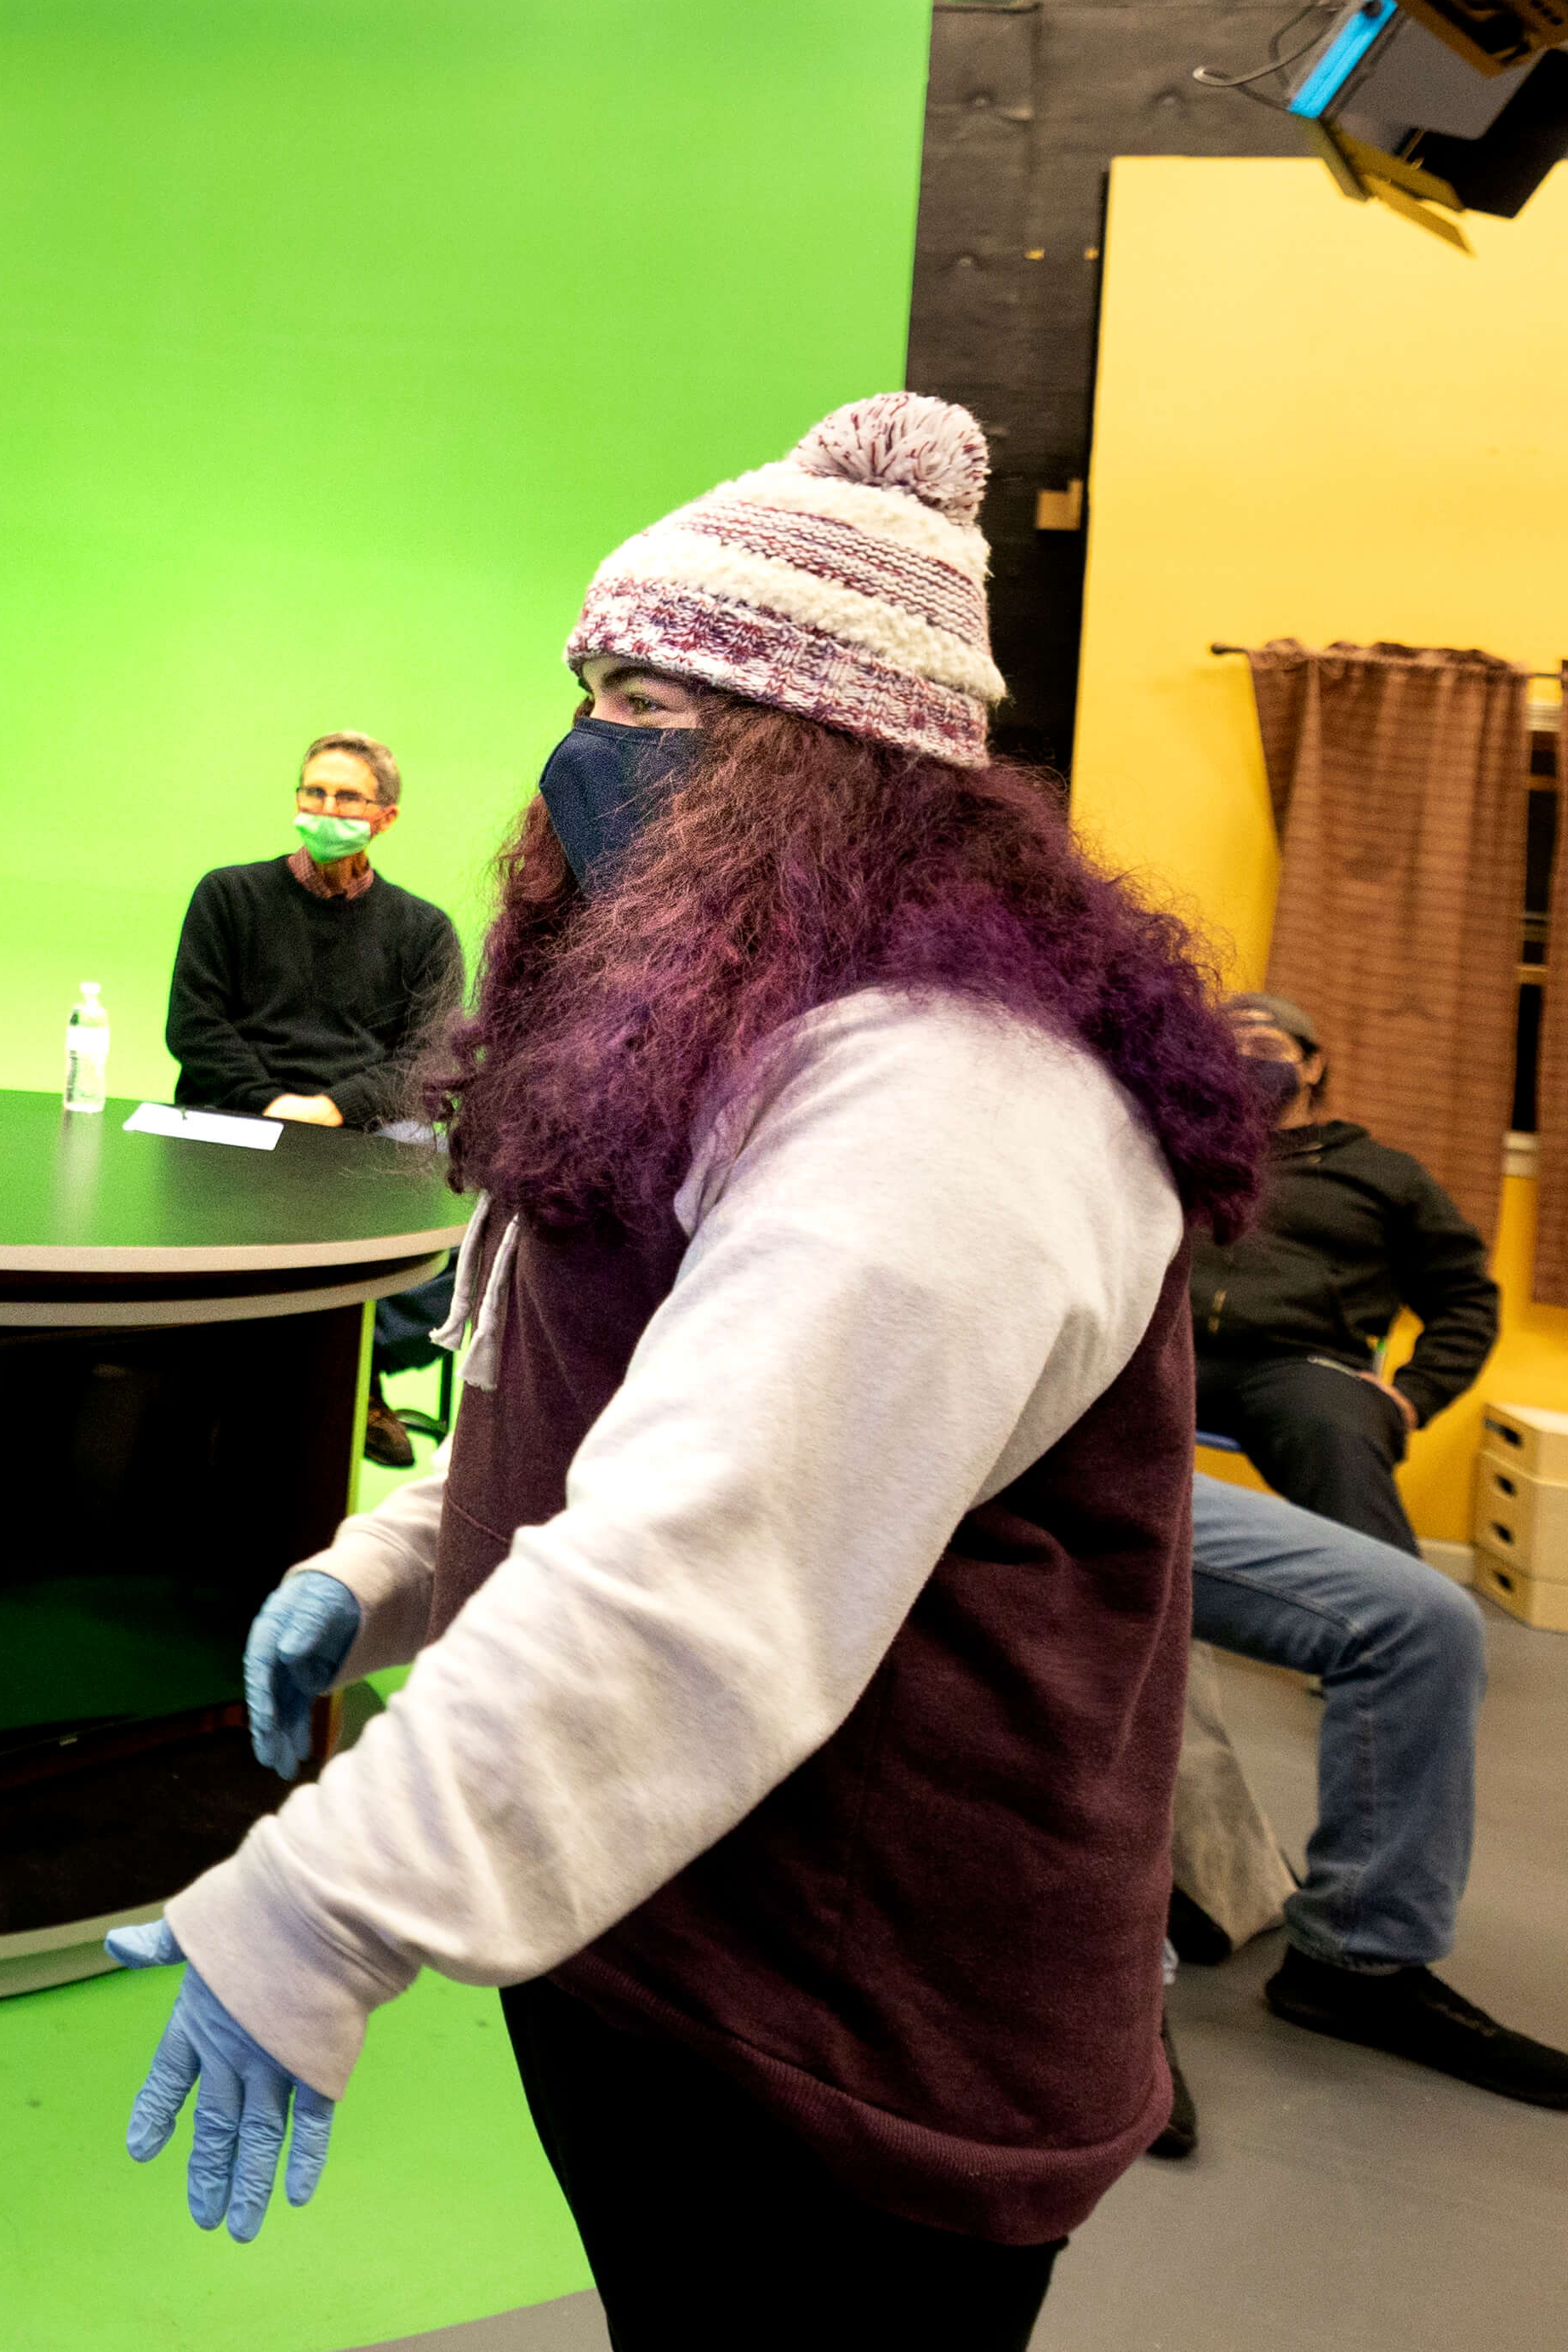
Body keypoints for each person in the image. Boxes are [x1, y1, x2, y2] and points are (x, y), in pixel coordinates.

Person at [103, 394, 1272, 2350]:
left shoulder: (950, 1100)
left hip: (856, 2042)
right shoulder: (775, 1032)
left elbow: (708, 1559)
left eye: (641, 698)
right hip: (671, 1947)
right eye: (587, 687)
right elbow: (647, 1381)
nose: (581, 752)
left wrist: (318, 1905)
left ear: (815, 766)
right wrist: (396, 1557)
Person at [1171, 1472, 1568, 2115]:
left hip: (1122, 1435)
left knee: (1425, 1623)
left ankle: (1358, 1962)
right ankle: (1103, 2001)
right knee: (1102, 1602)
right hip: (985, 1457)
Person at [165, 731, 464, 1463]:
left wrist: (332, 1110)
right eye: (314, 793)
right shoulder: (228, 895)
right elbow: (195, 1028)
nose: (326, 809)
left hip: (364, 1126)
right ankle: (257, 1375)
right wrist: (272, 1103)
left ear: (385, 817)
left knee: (462, 1199)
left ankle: (349, 1366)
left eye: (347, 797)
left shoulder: (425, 931)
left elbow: (427, 1062)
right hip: (234, 1113)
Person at [1195, 990, 1498, 1556]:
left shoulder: (1383, 1175)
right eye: (1224, 1049)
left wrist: (1414, 1396)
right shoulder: (1184, 1156)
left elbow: (1465, 1299)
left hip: (1304, 1371)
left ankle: (1397, 1627)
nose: (1243, 1060)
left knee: (1336, 1434)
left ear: (1312, 1066)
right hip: (1169, 1356)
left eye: (1265, 1046)